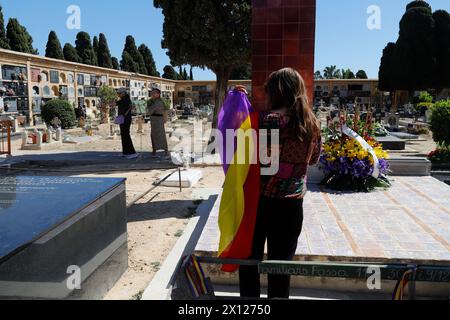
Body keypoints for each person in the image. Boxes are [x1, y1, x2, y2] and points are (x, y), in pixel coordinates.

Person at [239, 68, 322, 299]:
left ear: (276, 92)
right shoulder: (312, 123)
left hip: (261, 203)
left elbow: (265, 164)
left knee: (250, 263)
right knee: (281, 268)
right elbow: (314, 159)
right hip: (292, 206)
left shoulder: (269, 120)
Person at [116, 88, 138, 159]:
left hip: (125, 119)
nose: (118, 95)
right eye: (118, 93)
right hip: (122, 118)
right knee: (123, 135)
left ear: (123, 93)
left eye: (119, 93)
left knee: (126, 135)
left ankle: (131, 152)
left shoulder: (126, 99)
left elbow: (116, 103)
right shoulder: (123, 99)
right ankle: (125, 152)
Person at [148, 87, 169, 158]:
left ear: (158, 94)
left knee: (160, 135)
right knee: (153, 135)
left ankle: (165, 150)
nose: (152, 95)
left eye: (154, 93)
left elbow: (152, 110)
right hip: (154, 120)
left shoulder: (159, 101)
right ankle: (155, 150)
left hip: (158, 120)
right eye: (152, 93)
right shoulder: (153, 101)